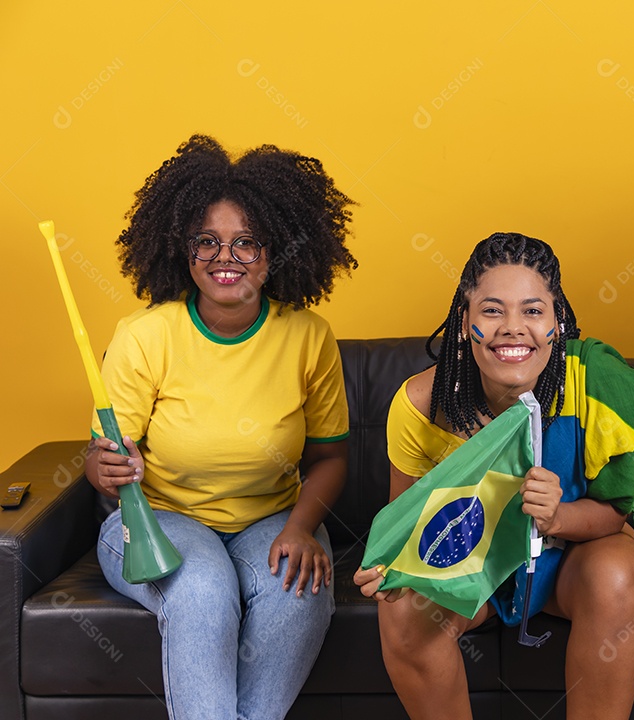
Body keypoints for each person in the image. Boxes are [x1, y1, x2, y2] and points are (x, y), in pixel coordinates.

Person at [85, 134, 357, 720]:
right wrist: (103, 467)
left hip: (271, 518)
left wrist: (303, 528)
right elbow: (100, 461)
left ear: (276, 250)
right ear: (181, 249)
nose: (224, 258)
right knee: (203, 592)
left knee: (299, 592)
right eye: (206, 241)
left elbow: (331, 457)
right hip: (159, 521)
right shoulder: (144, 335)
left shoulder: (308, 336)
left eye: (245, 243)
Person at [354, 232, 634, 720]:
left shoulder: (597, 381)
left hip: (565, 567)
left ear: (558, 323)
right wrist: (391, 567)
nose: (513, 329)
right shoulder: (421, 407)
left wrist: (558, 515)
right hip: (471, 574)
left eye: (533, 311)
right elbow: (406, 524)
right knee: (404, 609)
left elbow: (617, 516)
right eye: (492, 311)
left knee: (618, 569)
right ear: (464, 321)